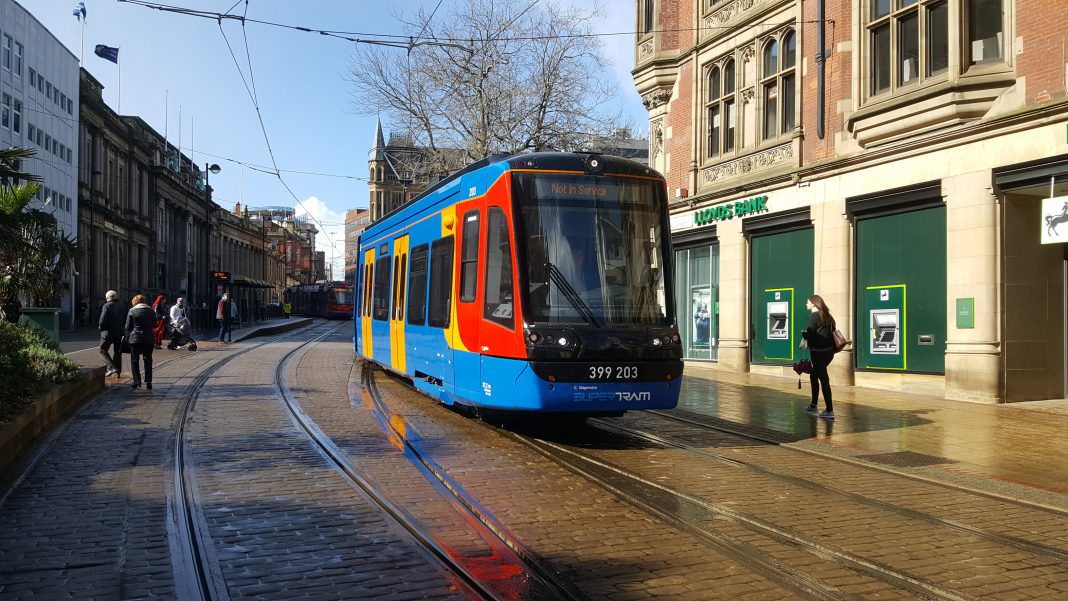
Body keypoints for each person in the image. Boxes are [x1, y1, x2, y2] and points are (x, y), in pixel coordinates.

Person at [800, 294, 836, 420]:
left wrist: (804, 334)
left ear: (813, 304)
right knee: (814, 375)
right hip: (828, 352)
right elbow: (831, 332)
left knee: (823, 379)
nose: (806, 304)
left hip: (818, 353)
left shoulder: (814, 317)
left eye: (807, 302)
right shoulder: (828, 316)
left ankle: (830, 410)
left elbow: (811, 335)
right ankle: (813, 404)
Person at [125, 295, 156, 390]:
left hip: (135, 338)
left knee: (134, 360)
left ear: (135, 301)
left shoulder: (132, 311)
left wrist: (127, 338)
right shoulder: (151, 310)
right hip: (149, 338)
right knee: (148, 359)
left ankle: (136, 381)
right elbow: (155, 324)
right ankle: (149, 381)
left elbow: (128, 327)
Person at [98, 290, 126, 377]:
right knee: (117, 352)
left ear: (107, 298)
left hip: (108, 332)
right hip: (120, 332)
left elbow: (102, 319)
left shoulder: (107, 305)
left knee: (102, 350)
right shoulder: (123, 306)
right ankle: (118, 372)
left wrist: (101, 327)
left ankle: (111, 367)